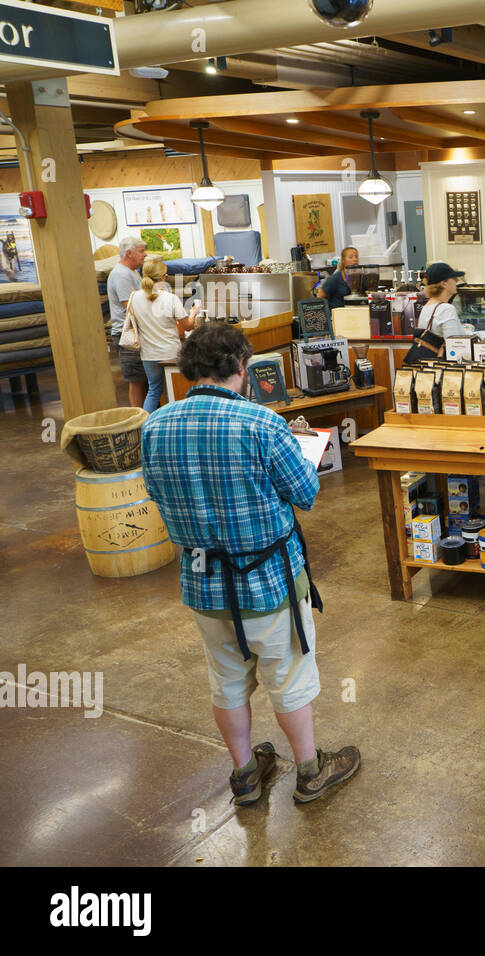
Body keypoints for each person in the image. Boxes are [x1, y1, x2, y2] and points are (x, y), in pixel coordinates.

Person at [141, 323, 360, 807]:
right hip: (270, 580)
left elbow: (156, 495)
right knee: (289, 677)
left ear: (188, 369)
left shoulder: (154, 425)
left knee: (226, 681)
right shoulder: (263, 424)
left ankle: (244, 775)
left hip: (202, 582)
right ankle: (309, 769)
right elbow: (305, 494)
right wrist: (301, 452)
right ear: (242, 366)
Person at [129, 255, 200, 413]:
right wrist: (194, 313)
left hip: (148, 353)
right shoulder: (170, 298)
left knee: (154, 391)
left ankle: (145, 427)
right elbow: (187, 326)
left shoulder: (134, 298)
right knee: (174, 391)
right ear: (162, 277)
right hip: (170, 353)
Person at [108, 237, 149, 408]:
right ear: (129, 253)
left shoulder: (132, 272)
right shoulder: (121, 275)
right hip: (127, 335)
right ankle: (139, 422)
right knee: (137, 380)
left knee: (145, 379)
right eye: (141, 251)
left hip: (137, 332)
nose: (145, 254)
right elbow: (131, 307)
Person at [417, 262, 469, 337]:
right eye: (454, 278)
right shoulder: (446, 309)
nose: (457, 281)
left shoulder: (426, 307)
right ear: (444, 283)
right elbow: (453, 344)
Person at [316, 246, 358, 311]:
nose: (355, 259)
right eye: (351, 257)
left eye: (356, 257)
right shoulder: (334, 279)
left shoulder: (360, 278)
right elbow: (319, 297)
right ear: (343, 260)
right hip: (337, 315)